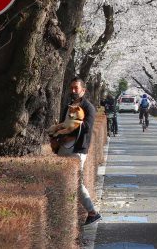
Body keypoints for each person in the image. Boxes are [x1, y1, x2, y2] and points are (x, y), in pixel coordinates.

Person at [59, 76, 101, 226]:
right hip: (64, 147)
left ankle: (92, 212)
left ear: (83, 90)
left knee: (76, 182)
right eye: (72, 88)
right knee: (62, 179)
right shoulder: (68, 105)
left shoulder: (88, 107)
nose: (73, 91)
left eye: (76, 88)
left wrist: (69, 133)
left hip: (77, 150)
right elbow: (62, 123)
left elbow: (87, 128)